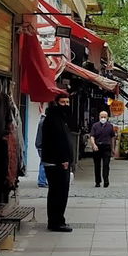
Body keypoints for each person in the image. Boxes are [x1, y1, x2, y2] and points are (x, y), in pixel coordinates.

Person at [37, 94, 77, 231]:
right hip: (56, 163)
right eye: (63, 102)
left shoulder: (61, 118)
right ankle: (56, 222)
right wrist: (63, 160)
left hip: (59, 162)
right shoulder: (52, 119)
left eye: (67, 102)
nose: (66, 104)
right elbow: (56, 142)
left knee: (60, 192)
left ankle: (58, 220)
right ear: (56, 102)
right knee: (58, 193)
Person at [89, 110, 116, 188]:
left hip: (106, 147)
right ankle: (97, 181)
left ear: (107, 117)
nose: (103, 118)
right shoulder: (95, 126)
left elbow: (113, 137)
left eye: (105, 117)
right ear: (99, 117)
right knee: (97, 165)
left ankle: (106, 180)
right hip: (97, 147)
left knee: (106, 165)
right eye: (102, 117)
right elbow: (92, 136)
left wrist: (113, 148)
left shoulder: (110, 126)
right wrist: (93, 145)